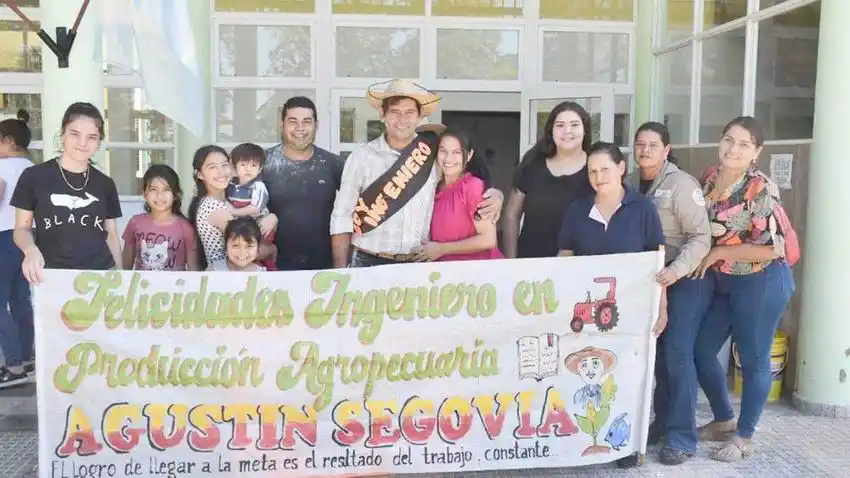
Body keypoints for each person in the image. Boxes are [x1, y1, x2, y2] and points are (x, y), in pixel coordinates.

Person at [558, 141, 668, 469]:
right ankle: (585, 438)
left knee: (629, 378)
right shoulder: (576, 210)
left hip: (632, 310)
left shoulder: (643, 209)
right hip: (587, 309)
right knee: (588, 377)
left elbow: (658, 263)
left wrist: (662, 308)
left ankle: (627, 445)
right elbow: (564, 258)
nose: (598, 176)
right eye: (592, 171)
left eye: (605, 168)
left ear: (621, 168)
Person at [692, 116, 796, 463]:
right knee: (702, 349)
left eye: (743, 144)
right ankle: (723, 419)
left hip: (762, 280)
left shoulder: (759, 188)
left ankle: (744, 436)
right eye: (729, 140)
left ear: (757, 152)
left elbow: (773, 247)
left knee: (753, 360)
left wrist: (720, 251)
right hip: (725, 281)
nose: (733, 149)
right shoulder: (708, 178)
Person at [329, 79, 503, 268]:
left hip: (417, 261)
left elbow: (463, 179)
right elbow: (341, 218)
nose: (402, 120)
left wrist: (496, 194)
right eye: (395, 112)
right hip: (367, 259)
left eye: (410, 113)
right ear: (382, 114)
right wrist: (341, 272)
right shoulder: (361, 158)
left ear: (419, 117)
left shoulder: (432, 154)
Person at [626, 122, 712, 465]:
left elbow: (701, 237)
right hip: (649, 284)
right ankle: (662, 424)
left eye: (652, 145)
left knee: (677, 354)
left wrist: (675, 272)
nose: (645, 150)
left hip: (684, 279)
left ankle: (682, 437)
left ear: (666, 149)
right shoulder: (630, 183)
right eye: (639, 144)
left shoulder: (680, 184)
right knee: (656, 356)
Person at [12, 102, 122, 285]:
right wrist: (30, 250)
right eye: (75, 134)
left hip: (100, 277)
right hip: (50, 276)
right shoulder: (34, 176)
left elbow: (111, 235)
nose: (83, 143)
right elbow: (21, 229)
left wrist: (120, 278)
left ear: (99, 143)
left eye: (92, 137)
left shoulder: (105, 184)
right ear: (62, 134)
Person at [504, 101, 595, 259]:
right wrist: (511, 262)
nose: (567, 131)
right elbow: (512, 215)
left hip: (581, 266)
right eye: (560, 125)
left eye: (574, 125)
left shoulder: (596, 167)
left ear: (585, 130)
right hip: (532, 262)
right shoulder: (533, 164)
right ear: (551, 130)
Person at [264, 96, 344, 271]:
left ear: (316, 124)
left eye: (306, 121)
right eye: (293, 121)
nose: (300, 128)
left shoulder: (333, 164)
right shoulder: (263, 164)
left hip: (323, 268)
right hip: (273, 268)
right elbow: (242, 212)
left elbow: (361, 206)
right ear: (281, 124)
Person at [413, 128, 503, 262]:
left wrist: (441, 249)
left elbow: (488, 240)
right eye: (443, 151)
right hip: (446, 275)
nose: (448, 158)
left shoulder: (472, 186)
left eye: (457, 152)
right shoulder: (433, 188)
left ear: (470, 155)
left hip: (478, 274)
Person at [187, 146, 277, 270]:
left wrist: (272, 217)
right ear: (200, 174)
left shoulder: (229, 198)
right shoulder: (214, 207)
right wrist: (272, 249)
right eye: (212, 167)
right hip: (225, 277)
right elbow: (246, 247)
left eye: (224, 165)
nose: (221, 172)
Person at [0, 109, 34, 386]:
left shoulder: (2, 167)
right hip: (28, 239)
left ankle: (12, 366)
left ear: (8, 141)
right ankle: (27, 358)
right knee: (21, 300)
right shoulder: (33, 169)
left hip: (3, 237)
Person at [121, 164, 199, 271]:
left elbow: (193, 270)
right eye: (153, 189)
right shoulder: (135, 222)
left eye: (166, 189)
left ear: (176, 195)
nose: (159, 195)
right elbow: (125, 266)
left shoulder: (185, 228)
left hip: (173, 287)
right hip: (142, 286)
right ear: (144, 194)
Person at [227, 142, 275, 271]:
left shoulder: (258, 186)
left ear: (260, 169)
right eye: (243, 165)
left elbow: (255, 209)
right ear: (234, 167)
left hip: (260, 225)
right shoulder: (230, 185)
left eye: (253, 165)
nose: (248, 169)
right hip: (242, 227)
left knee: (257, 253)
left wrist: (234, 211)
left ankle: (269, 269)